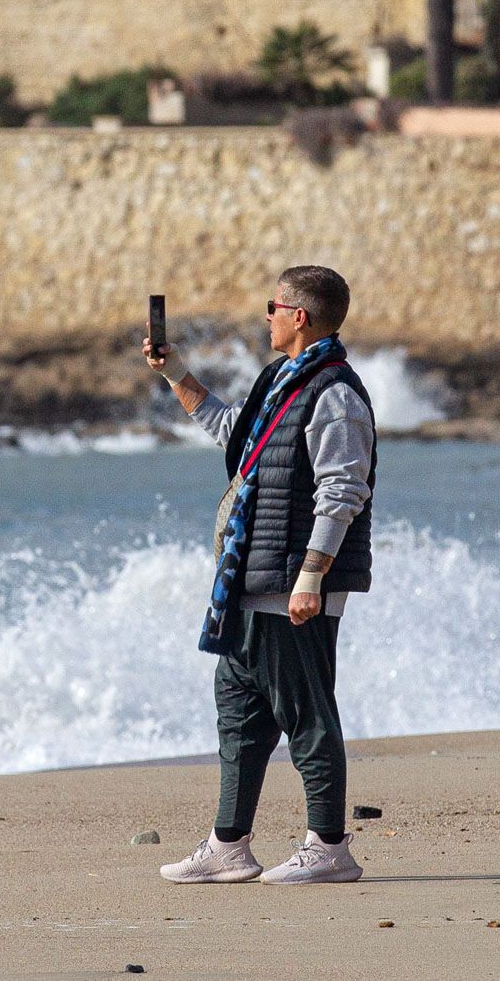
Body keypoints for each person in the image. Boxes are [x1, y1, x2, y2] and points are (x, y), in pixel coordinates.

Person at [142, 265, 376, 886]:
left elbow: (343, 489)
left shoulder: (335, 392)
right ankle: (228, 844)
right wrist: (174, 374)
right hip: (253, 577)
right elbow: (233, 434)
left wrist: (310, 577)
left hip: (291, 583)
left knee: (306, 712)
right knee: (239, 710)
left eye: (272, 306)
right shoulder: (280, 382)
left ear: (299, 316)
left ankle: (329, 845)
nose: (264, 316)